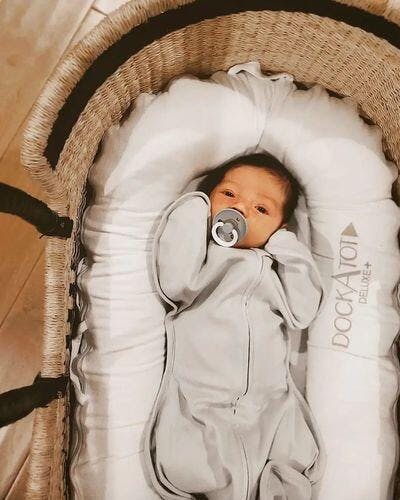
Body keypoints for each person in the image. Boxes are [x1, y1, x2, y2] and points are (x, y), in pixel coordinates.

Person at [144, 152, 326, 500]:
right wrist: (194, 208)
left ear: (279, 226)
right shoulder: (202, 262)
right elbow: (173, 281)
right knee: (186, 463)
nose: (240, 208)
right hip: (200, 399)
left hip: (269, 401)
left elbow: (304, 311)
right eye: (228, 194)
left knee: (296, 456)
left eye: (262, 209)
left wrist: (285, 245)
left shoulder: (272, 271)